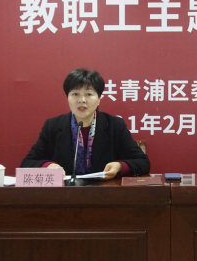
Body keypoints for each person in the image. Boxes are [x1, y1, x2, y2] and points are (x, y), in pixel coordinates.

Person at [21, 68, 150, 179]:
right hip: (64, 195)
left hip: (105, 194)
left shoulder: (114, 125)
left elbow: (143, 162)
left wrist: (120, 166)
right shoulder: (53, 126)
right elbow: (27, 163)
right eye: (75, 94)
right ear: (67, 98)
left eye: (89, 94)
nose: (82, 100)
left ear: (99, 99)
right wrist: (48, 166)